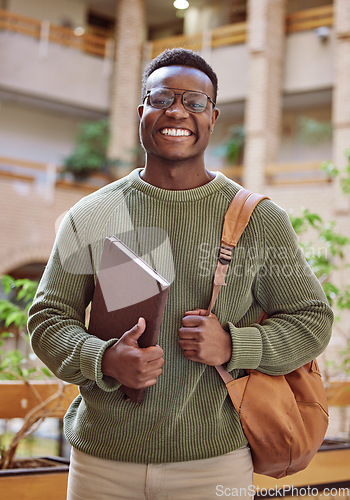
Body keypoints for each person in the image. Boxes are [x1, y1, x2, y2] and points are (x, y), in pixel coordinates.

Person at [28, 48, 333, 500]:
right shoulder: (91, 215)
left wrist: (234, 345)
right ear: (142, 112)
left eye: (194, 102)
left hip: (214, 463)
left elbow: (312, 321)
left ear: (212, 117)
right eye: (162, 98)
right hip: (101, 462)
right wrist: (105, 359)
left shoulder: (258, 220)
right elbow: (48, 319)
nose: (177, 111)